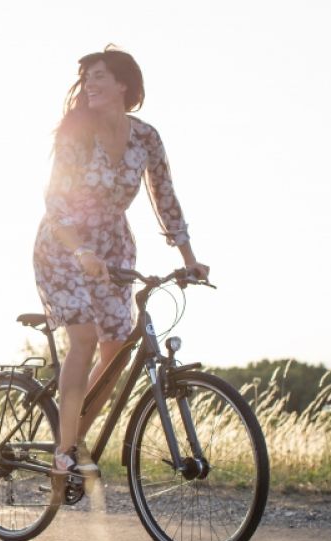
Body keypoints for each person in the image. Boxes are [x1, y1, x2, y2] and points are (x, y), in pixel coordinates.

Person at [32, 47, 209, 476]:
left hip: (113, 247)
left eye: (100, 77)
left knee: (117, 349)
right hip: (64, 246)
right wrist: (79, 250)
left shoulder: (146, 137)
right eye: (87, 78)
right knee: (86, 337)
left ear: (124, 85)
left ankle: (68, 441)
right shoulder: (76, 133)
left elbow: (164, 196)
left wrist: (189, 258)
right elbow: (55, 200)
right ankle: (64, 453)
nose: (90, 84)